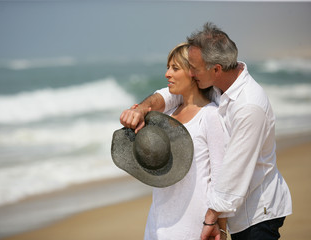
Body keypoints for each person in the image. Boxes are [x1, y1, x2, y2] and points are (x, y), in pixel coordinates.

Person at [120, 23, 292, 240]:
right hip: (229, 208)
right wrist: (143, 108)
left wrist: (212, 220)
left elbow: (232, 172)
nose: (191, 73)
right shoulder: (217, 86)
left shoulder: (249, 106)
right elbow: (172, 95)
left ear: (216, 69)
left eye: (194, 68)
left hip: (257, 212)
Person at [122, 42, 229, 240]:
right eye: (168, 67)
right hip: (158, 220)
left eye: (175, 68)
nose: (167, 74)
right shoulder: (167, 114)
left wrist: (220, 228)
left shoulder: (210, 115)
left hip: (194, 225)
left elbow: (220, 176)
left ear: (194, 72)